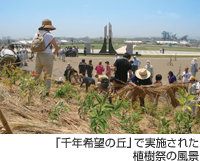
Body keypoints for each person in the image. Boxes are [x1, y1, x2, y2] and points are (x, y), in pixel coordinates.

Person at [30, 19, 59, 96]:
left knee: (36, 73)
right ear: (49, 28)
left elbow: (31, 48)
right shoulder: (49, 35)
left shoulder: (36, 34)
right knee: (48, 75)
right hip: (47, 56)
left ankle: (30, 87)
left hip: (38, 56)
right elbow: (57, 47)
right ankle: (46, 92)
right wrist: (54, 54)